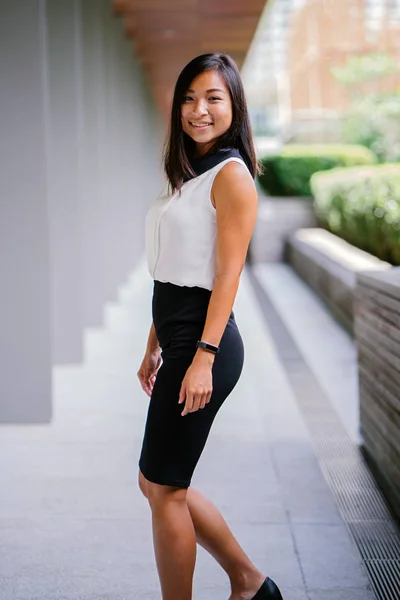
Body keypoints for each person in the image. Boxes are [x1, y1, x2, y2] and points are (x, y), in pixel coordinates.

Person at [137, 53, 284, 600]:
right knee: (156, 482)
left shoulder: (231, 176)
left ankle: (245, 583)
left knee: (164, 488)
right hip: (177, 336)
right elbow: (171, 269)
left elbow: (226, 276)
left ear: (234, 107)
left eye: (213, 98)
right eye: (189, 98)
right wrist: (152, 344)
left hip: (207, 343)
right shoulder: (186, 174)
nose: (199, 110)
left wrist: (201, 355)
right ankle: (249, 582)